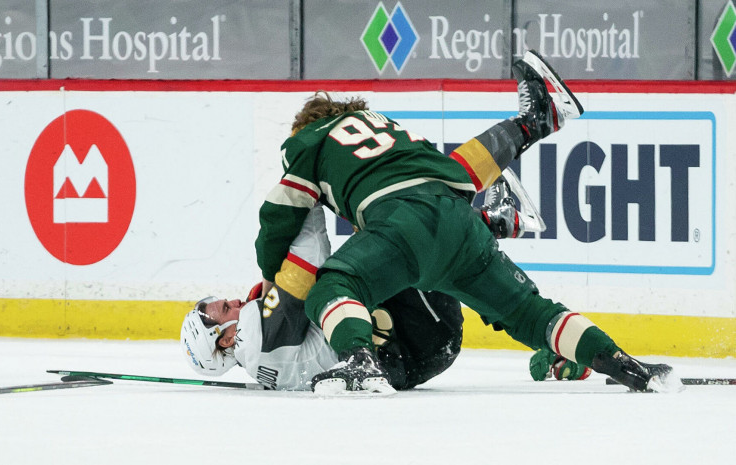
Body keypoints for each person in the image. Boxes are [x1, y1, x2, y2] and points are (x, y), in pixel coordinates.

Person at [254, 49, 678, 395]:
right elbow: (459, 175)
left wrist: (270, 275)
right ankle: (627, 365)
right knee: (531, 314)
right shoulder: (390, 130)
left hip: (404, 228)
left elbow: (278, 215)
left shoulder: (305, 141)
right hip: (459, 224)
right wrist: (523, 132)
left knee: (333, 286)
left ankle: (360, 364)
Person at [181, 174, 535, 392]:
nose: (234, 303)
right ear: (225, 339)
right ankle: (493, 224)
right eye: (225, 308)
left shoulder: (260, 362)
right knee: (396, 222)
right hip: (414, 334)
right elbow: (310, 255)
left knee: (387, 239)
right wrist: (307, 187)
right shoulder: (252, 335)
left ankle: (494, 226)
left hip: (412, 353)